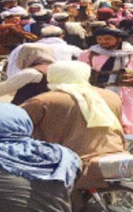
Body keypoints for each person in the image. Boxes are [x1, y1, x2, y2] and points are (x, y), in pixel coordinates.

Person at [20, 61, 125, 194]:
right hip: (115, 152)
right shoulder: (112, 96)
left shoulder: (44, 100)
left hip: (67, 160)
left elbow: (13, 122)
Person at [79, 28, 133, 134]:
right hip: (98, 91)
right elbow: (79, 70)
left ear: (119, 39)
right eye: (99, 39)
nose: (103, 42)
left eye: (107, 39)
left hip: (124, 93)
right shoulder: (90, 53)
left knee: (127, 123)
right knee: (99, 122)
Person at [6, 26, 83, 77]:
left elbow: (11, 68)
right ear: (61, 36)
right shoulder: (72, 49)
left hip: (18, 83)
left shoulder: (22, 47)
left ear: (42, 36)